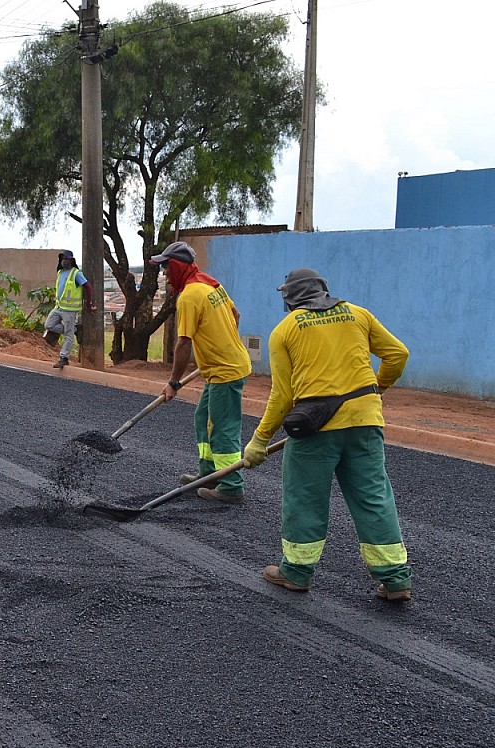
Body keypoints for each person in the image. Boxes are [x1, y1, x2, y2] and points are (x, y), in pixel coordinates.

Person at [243, 268, 412, 601]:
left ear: (289, 297)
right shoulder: (358, 314)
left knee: (306, 499)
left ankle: (296, 573)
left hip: (314, 429)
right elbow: (398, 354)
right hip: (365, 422)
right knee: (373, 498)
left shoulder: (285, 330)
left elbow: (283, 396)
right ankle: (395, 580)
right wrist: (377, 389)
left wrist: (259, 440)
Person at [156, 241, 252, 505]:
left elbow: (184, 342)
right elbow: (236, 314)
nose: (164, 274)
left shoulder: (189, 296)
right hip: (221, 366)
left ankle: (232, 486)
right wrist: (218, 344)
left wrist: (173, 382)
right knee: (203, 419)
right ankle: (210, 474)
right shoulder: (210, 284)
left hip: (226, 371)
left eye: (166, 267)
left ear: (176, 266)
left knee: (223, 427)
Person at [41, 250, 95, 369]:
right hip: (59, 307)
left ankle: (63, 358)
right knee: (49, 325)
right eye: (62, 259)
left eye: (66, 259)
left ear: (71, 260)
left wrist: (89, 304)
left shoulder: (76, 273)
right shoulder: (60, 272)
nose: (64, 261)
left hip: (70, 310)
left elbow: (88, 287)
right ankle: (75, 329)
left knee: (68, 335)